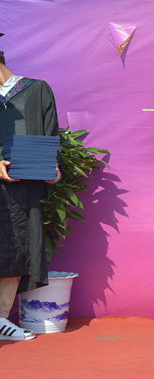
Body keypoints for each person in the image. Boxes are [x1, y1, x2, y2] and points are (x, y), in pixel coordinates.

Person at [0, 41, 60, 342]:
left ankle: (0, 318)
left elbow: (50, 135)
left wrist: (52, 166)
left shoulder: (36, 90)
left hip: (22, 186)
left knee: (16, 247)